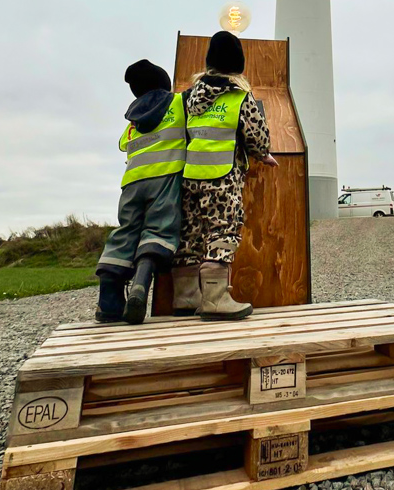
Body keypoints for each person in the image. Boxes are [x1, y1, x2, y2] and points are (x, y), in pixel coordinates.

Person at [172, 30, 277, 321]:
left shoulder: (187, 97)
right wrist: (262, 154)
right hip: (222, 176)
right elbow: (257, 137)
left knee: (190, 232)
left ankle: (185, 297)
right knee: (223, 228)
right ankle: (216, 299)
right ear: (237, 64)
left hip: (189, 175)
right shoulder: (239, 96)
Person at [94, 60, 186, 325]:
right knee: (159, 229)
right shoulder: (177, 103)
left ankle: (108, 304)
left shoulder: (132, 119)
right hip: (165, 177)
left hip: (132, 183)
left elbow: (124, 145)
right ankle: (140, 285)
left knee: (125, 232)